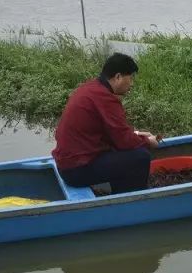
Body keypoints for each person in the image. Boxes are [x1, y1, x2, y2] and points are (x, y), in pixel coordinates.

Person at [52, 53, 160, 194]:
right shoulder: (105, 98)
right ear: (118, 77)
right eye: (130, 78)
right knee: (141, 157)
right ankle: (127, 202)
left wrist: (137, 134)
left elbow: (113, 131)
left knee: (122, 151)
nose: (131, 84)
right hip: (76, 171)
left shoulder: (90, 88)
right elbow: (124, 141)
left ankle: (116, 193)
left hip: (67, 165)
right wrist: (148, 142)